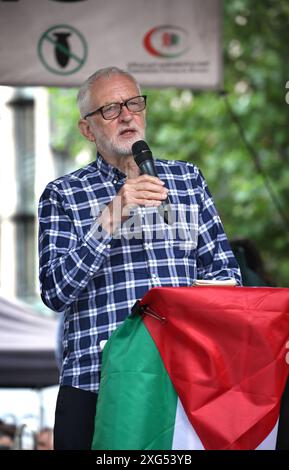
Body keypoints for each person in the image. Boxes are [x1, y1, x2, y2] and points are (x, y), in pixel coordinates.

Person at [38, 66, 241, 450]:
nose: (128, 114)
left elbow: (226, 273)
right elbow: (54, 291)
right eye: (111, 109)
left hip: (181, 384)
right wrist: (113, 214)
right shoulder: (63, 194)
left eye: (133, 103)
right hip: (96, 384)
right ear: (87, 129)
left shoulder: (188, 180)